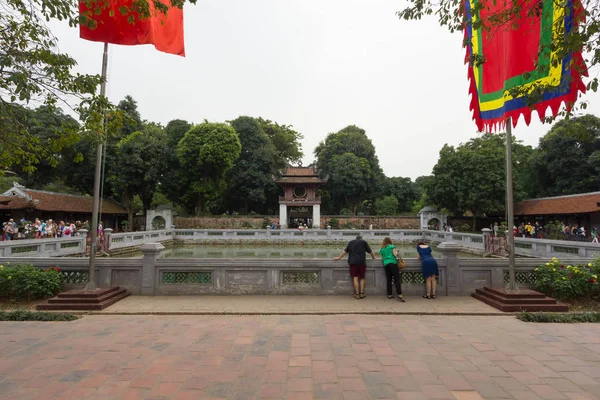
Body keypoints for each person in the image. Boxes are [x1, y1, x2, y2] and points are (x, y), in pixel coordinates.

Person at [333, 235, 376, 299]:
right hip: (362, 262)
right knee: (362, 278)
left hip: (353, 262)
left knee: (355, 278)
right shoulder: (363, 242)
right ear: (361, 239)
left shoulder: (350, 242)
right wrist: (373, 257)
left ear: (355, 239)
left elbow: (345, 251)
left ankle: (357, 294)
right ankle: (362, 293)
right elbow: (370, 251)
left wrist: (339, 257)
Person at [379, 237, 405, 302]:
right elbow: (395, 254)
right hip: (393, 263)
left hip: (386, 264)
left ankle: (389, 294)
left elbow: (382, 258)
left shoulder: (382, 249)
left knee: (389, 279)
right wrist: (397, 254)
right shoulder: (391, 246)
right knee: (397, 279)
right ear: (390, 241)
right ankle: (399, 294)